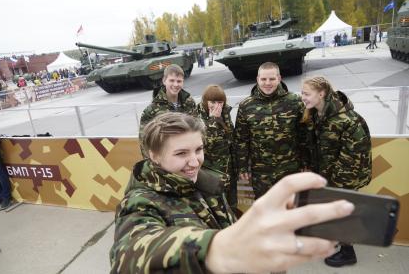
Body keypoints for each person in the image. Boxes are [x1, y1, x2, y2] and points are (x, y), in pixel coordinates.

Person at [110, 112, 355, 273]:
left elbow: (229, 225)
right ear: (154, 156)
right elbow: (127, 256)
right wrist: (216, 250)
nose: (195, 162)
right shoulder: (140, 202)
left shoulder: (207, 183)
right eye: (181, 153)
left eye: (198, 149)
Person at [301, 76, 372, 267]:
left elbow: (354, 157)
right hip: (327, 175)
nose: (303, 98)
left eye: (307, 94)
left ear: (321, 93)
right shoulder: (316, 114)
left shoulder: (347, 120)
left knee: (342, 213)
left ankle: (348, 253)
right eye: (302, 93)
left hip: (345, 177)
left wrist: (337, 188)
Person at [235, 62, 307, 199]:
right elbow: (241, 139)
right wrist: (242, 167)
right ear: (257, 79)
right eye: (263, 79)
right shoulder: (246, 106)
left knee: (292, 207)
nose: (267, 83)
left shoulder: (295, 101)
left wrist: (306, 162)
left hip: (290, 169)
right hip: (261, 173)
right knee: (266, 211)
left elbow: (304, 135)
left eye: (272, 79)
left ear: (279, 78)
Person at [139, 64, 197, 156]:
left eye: (179, 81)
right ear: (164, 81)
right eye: (172, 80)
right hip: (166, 158)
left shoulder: (189, 103)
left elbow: (197, 129)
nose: (175, 84)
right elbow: (145, 141)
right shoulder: (152, 110)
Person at [197, 85, 237, 211]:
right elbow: (204, 144)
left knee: (231, 207)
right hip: (210, 173)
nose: (216, 106)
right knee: (216, 209)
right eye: (212, 102)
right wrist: (213, 120)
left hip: (228, 172)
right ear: (205, 102)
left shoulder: (225, 114)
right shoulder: (197, 117)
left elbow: (231, 140)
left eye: (220, 102)